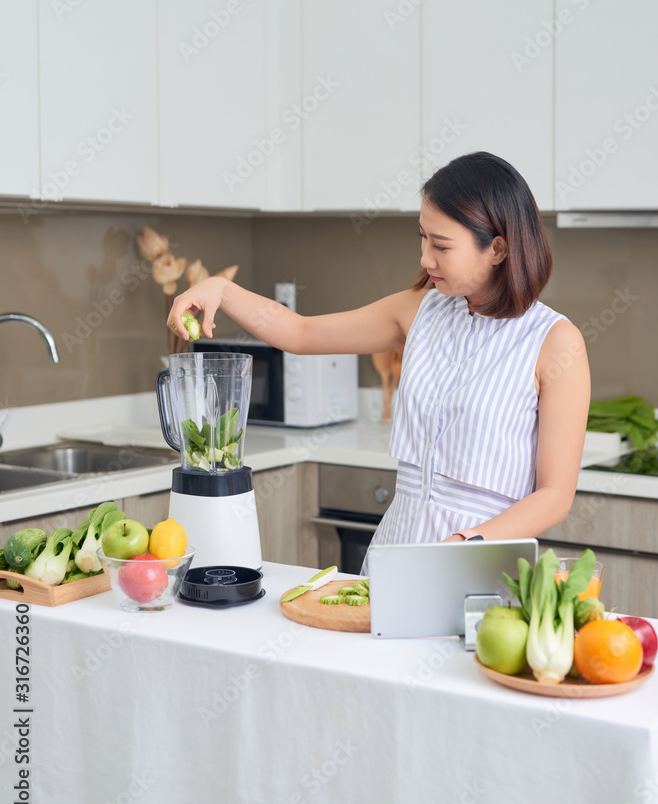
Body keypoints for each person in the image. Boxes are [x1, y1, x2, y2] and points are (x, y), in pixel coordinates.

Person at [167, 152, 590, 575]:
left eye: (441, 245)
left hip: (482, 565)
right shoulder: (420, 310)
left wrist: (465, 543)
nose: (426, 259)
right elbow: (301, 333)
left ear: (497, 249)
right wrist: (221, 288)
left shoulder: (555, 343)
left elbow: (554, 495)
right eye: (422, 238)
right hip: (395, 554)